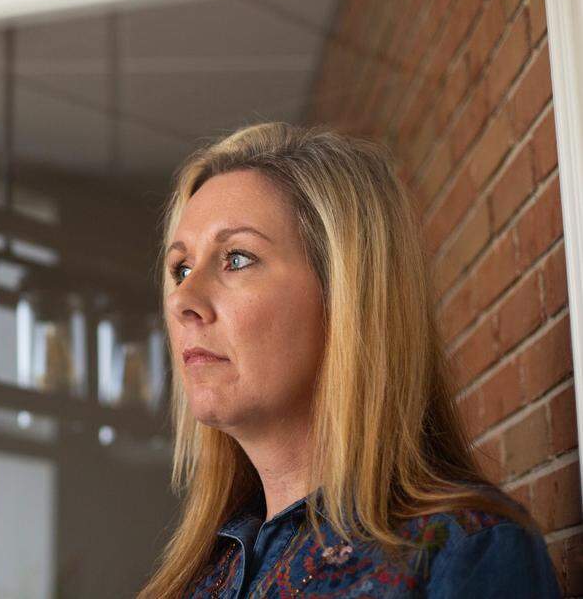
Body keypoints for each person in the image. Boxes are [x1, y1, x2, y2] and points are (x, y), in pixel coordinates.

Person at [138, 122, 561, 599]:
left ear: (346, 295)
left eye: (236, 258)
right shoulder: (197, 579)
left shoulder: (462, 550)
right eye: (182, 268)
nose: (182, 300)